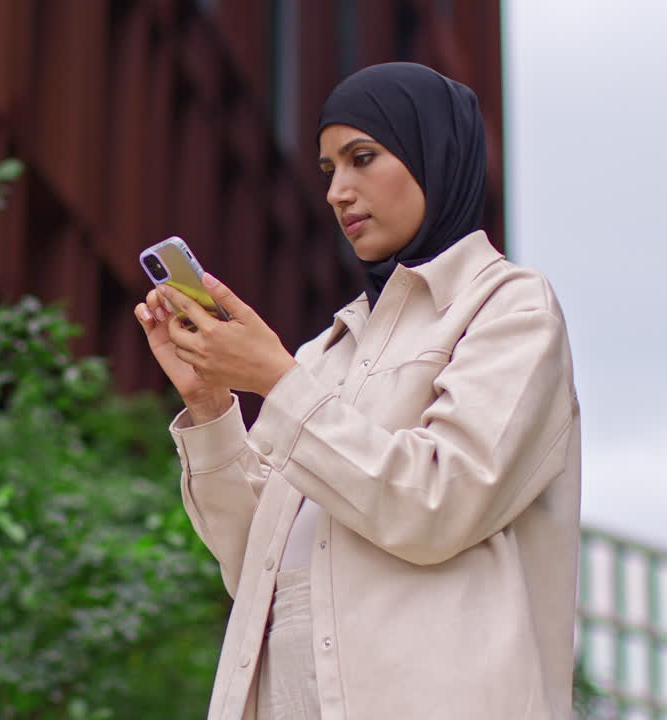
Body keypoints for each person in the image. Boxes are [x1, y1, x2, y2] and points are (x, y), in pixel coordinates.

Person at [133, 62, 581, 720]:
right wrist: (211, 406)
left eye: (362, 158)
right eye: (328, 170)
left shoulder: (509, 309)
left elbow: (437, 506)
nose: (338, 191)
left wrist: (275, 382)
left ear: (436, 154)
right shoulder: (327, 352)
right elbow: (253, 568)